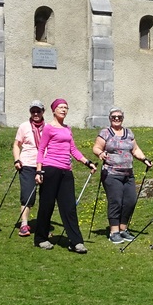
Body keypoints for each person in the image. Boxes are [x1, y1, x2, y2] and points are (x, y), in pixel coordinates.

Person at [34, 98, 95, 252]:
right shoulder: (48, 128)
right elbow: (41, 149)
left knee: (69, 207)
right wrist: (39, 171)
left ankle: (76, 242)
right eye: (60, 107)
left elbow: (73, 149)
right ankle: (41, 238)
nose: (63, 110)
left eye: (66, 107)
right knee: (46, 205)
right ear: (54, 110)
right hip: (50, 169)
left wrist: (87, 162)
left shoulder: (68, 129)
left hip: (66, 171)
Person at [93, 108, 152, 244]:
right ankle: (114, 232)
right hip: (111, 173)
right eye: (114, 116)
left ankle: (123, 229)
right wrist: (100, 153)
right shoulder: (105, 132)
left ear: (123, 118)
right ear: (110, 118)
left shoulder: (129, 133)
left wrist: (144, 159)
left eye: (119, 116)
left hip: (128, 174)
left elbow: (135, 149)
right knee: (116, 201)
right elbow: (96, 147)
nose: (116, 119)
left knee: (130, 201)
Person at [10, 100, 46, 237]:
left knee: (46, 196)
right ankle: (24, 225)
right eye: (33, 111)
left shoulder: (48, 127)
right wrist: (17, 159)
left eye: (38, 111)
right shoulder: (24, 126)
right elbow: (16, 144)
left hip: (45, 164)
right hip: (28, 164)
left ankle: (43, 225)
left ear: (43, 112)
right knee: (27, 195)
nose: (36, 114)